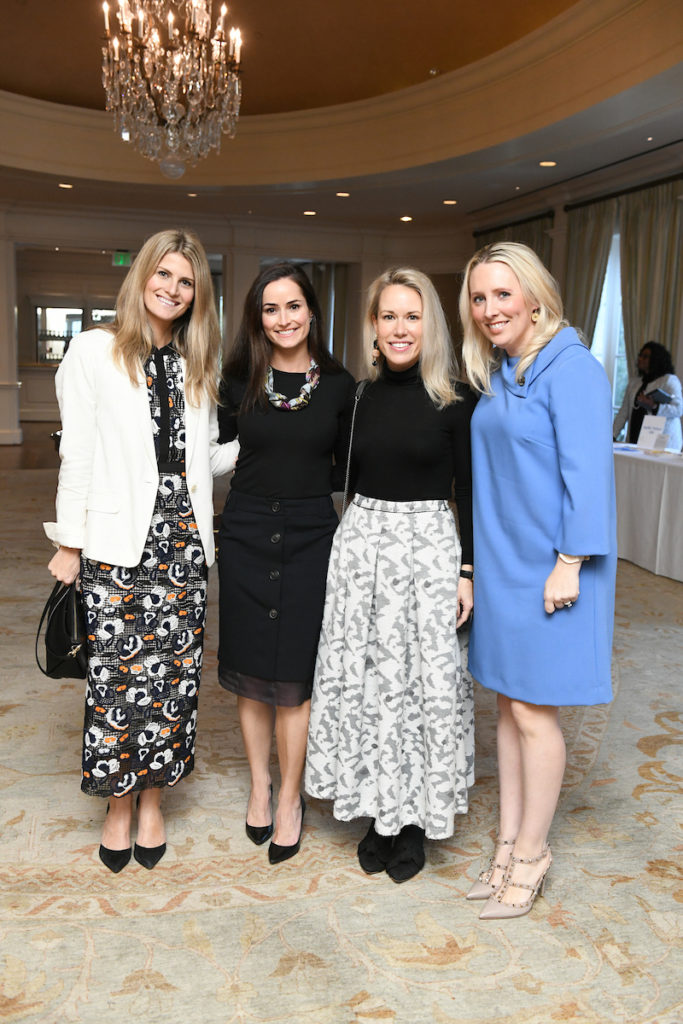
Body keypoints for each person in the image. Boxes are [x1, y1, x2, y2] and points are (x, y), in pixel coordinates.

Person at [45, 228, 239, 873]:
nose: (173, 290)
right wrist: (68, 542)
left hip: (183, 543)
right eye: (164, 276)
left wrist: (271, 434)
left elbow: (204, 459)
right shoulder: (94, 350)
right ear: (141, 278)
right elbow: (78, 451)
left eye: (186, 282)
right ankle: (118, 805)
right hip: (115, 541)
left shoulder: (196, 362)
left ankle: (153, 798)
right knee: (117, 680)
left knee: (174, 682)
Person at [460, 241, 616, 920]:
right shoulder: (500, 370)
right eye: (477, 297)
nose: (489, 309)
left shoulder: (570, 368)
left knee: (533, 712)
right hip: (501, 562)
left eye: (501, 294)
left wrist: (569, 562)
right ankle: (506, 843)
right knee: (504, 706)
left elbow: (589, 475)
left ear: (532, 296)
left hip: (553, 568)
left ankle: (531, 855)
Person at [305, 267, 476, 883]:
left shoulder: (458, 399)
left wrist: (467, 571)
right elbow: (330, 472)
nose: (399, 329)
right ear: (372, 328)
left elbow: (470, 492)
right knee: (368, 684)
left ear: (429, 324)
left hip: (429, 551)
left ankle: (411, 825)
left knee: (421, 688)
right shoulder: (355, 396)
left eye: (412, 316)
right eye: (388, 317)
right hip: (360, 549)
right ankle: (377, 814)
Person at [217, 262, 354, 864]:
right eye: (270, 309)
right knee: (251, 673)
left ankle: (292, 798)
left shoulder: (342, 386)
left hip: (311, 535)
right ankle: (259, 786)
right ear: (257, 318)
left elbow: (353, 471)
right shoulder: (238, 379)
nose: (283, 319)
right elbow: (212, 455)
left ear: (311, 311)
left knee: (295, 680)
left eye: (293, 306)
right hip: (245, 530)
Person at [613, 341, 682, 450]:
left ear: (656, 359)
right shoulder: (634, 383)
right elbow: (623, 412)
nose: (640, 359)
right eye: (640, 355)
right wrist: (612, 435)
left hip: (663, 443)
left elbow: (678, 409)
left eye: (645, 356)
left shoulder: (669, 380)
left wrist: (655, 406)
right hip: (635, 438)